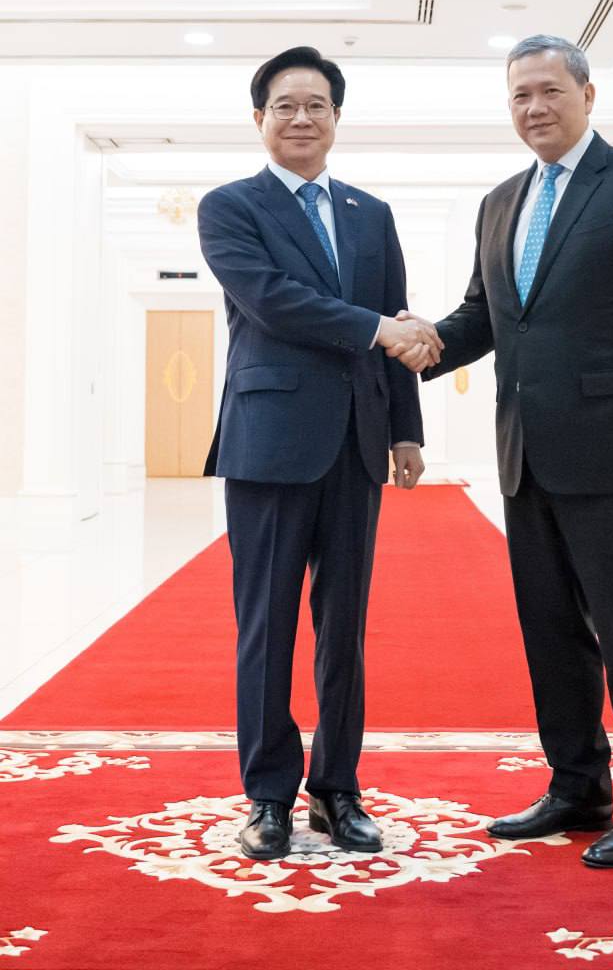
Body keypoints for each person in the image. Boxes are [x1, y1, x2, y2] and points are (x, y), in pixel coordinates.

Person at [391, 34, 613, 867]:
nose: (533, 108)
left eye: (548, 91)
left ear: (586, 95)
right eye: (519, 96)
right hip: (526, 453)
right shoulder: (501, 202)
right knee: (550, 631)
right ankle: (576, 785)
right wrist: (421, 342)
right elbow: (487, 316)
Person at [198, 46, 440, 861]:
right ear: (259, 118)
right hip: (268, 441)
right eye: (284, 105)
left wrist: (404, 428)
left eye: (316, 106)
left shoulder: (371, 213)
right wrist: (377, 330)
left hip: (356, 442)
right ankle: (267, 795)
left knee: (345, 627)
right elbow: (272, 301)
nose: (300, 118)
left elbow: (395, 319)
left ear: (336, 118)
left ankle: (338, 789)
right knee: (265, 625)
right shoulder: (229, 207)